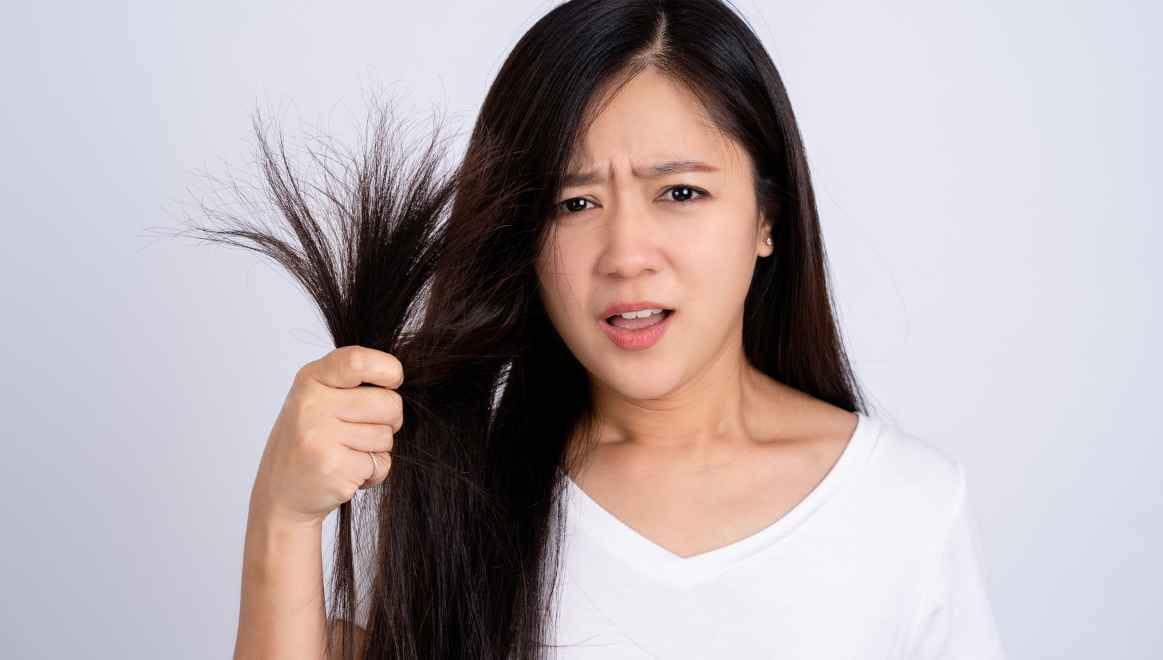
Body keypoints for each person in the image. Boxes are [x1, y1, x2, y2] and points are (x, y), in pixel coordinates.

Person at [212, 1, 1006, 658]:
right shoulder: (454, 493)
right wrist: (281, 517)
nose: (626, 255)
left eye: (681, 193)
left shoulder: (906, 507)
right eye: (575, 203)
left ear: (767, 215)